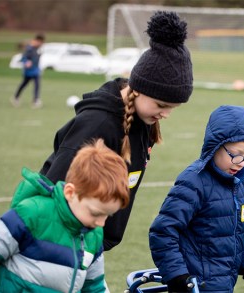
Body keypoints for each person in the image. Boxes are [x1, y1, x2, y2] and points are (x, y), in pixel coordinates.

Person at [39, 11, 193, 251]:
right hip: (59, 241)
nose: (166, 114)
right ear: (139, 89)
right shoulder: (97, 125)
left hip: (91, 242)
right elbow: (54, 188)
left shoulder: (143, 121)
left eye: (173, 108)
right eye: (162, 105)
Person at [0, 139, 130, 293]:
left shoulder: (94, 235)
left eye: (108, 215)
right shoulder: (31, 214)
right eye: (96, 213)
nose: (101, 222)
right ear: (70, 193)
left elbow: (94, 287)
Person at [148, 105, 244, 292]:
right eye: (235, 155)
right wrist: (176, 273)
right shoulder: (193, 181)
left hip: (224, 280)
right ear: (216, 145)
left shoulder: (240, 181)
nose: (241, 163)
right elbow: (163, 230)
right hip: (194, 282)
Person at [13, 33, 45, 108]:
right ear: (37, 41)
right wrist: (26, 62)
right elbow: (23, 58)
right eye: (41, 42)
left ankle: (36, 100)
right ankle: (16, 97)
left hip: (35, 71)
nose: (41, 44)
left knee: (37, 84)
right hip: (29, 71)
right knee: (24, 84)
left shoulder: (38, 49)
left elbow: (37, 60)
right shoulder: (29, 48)